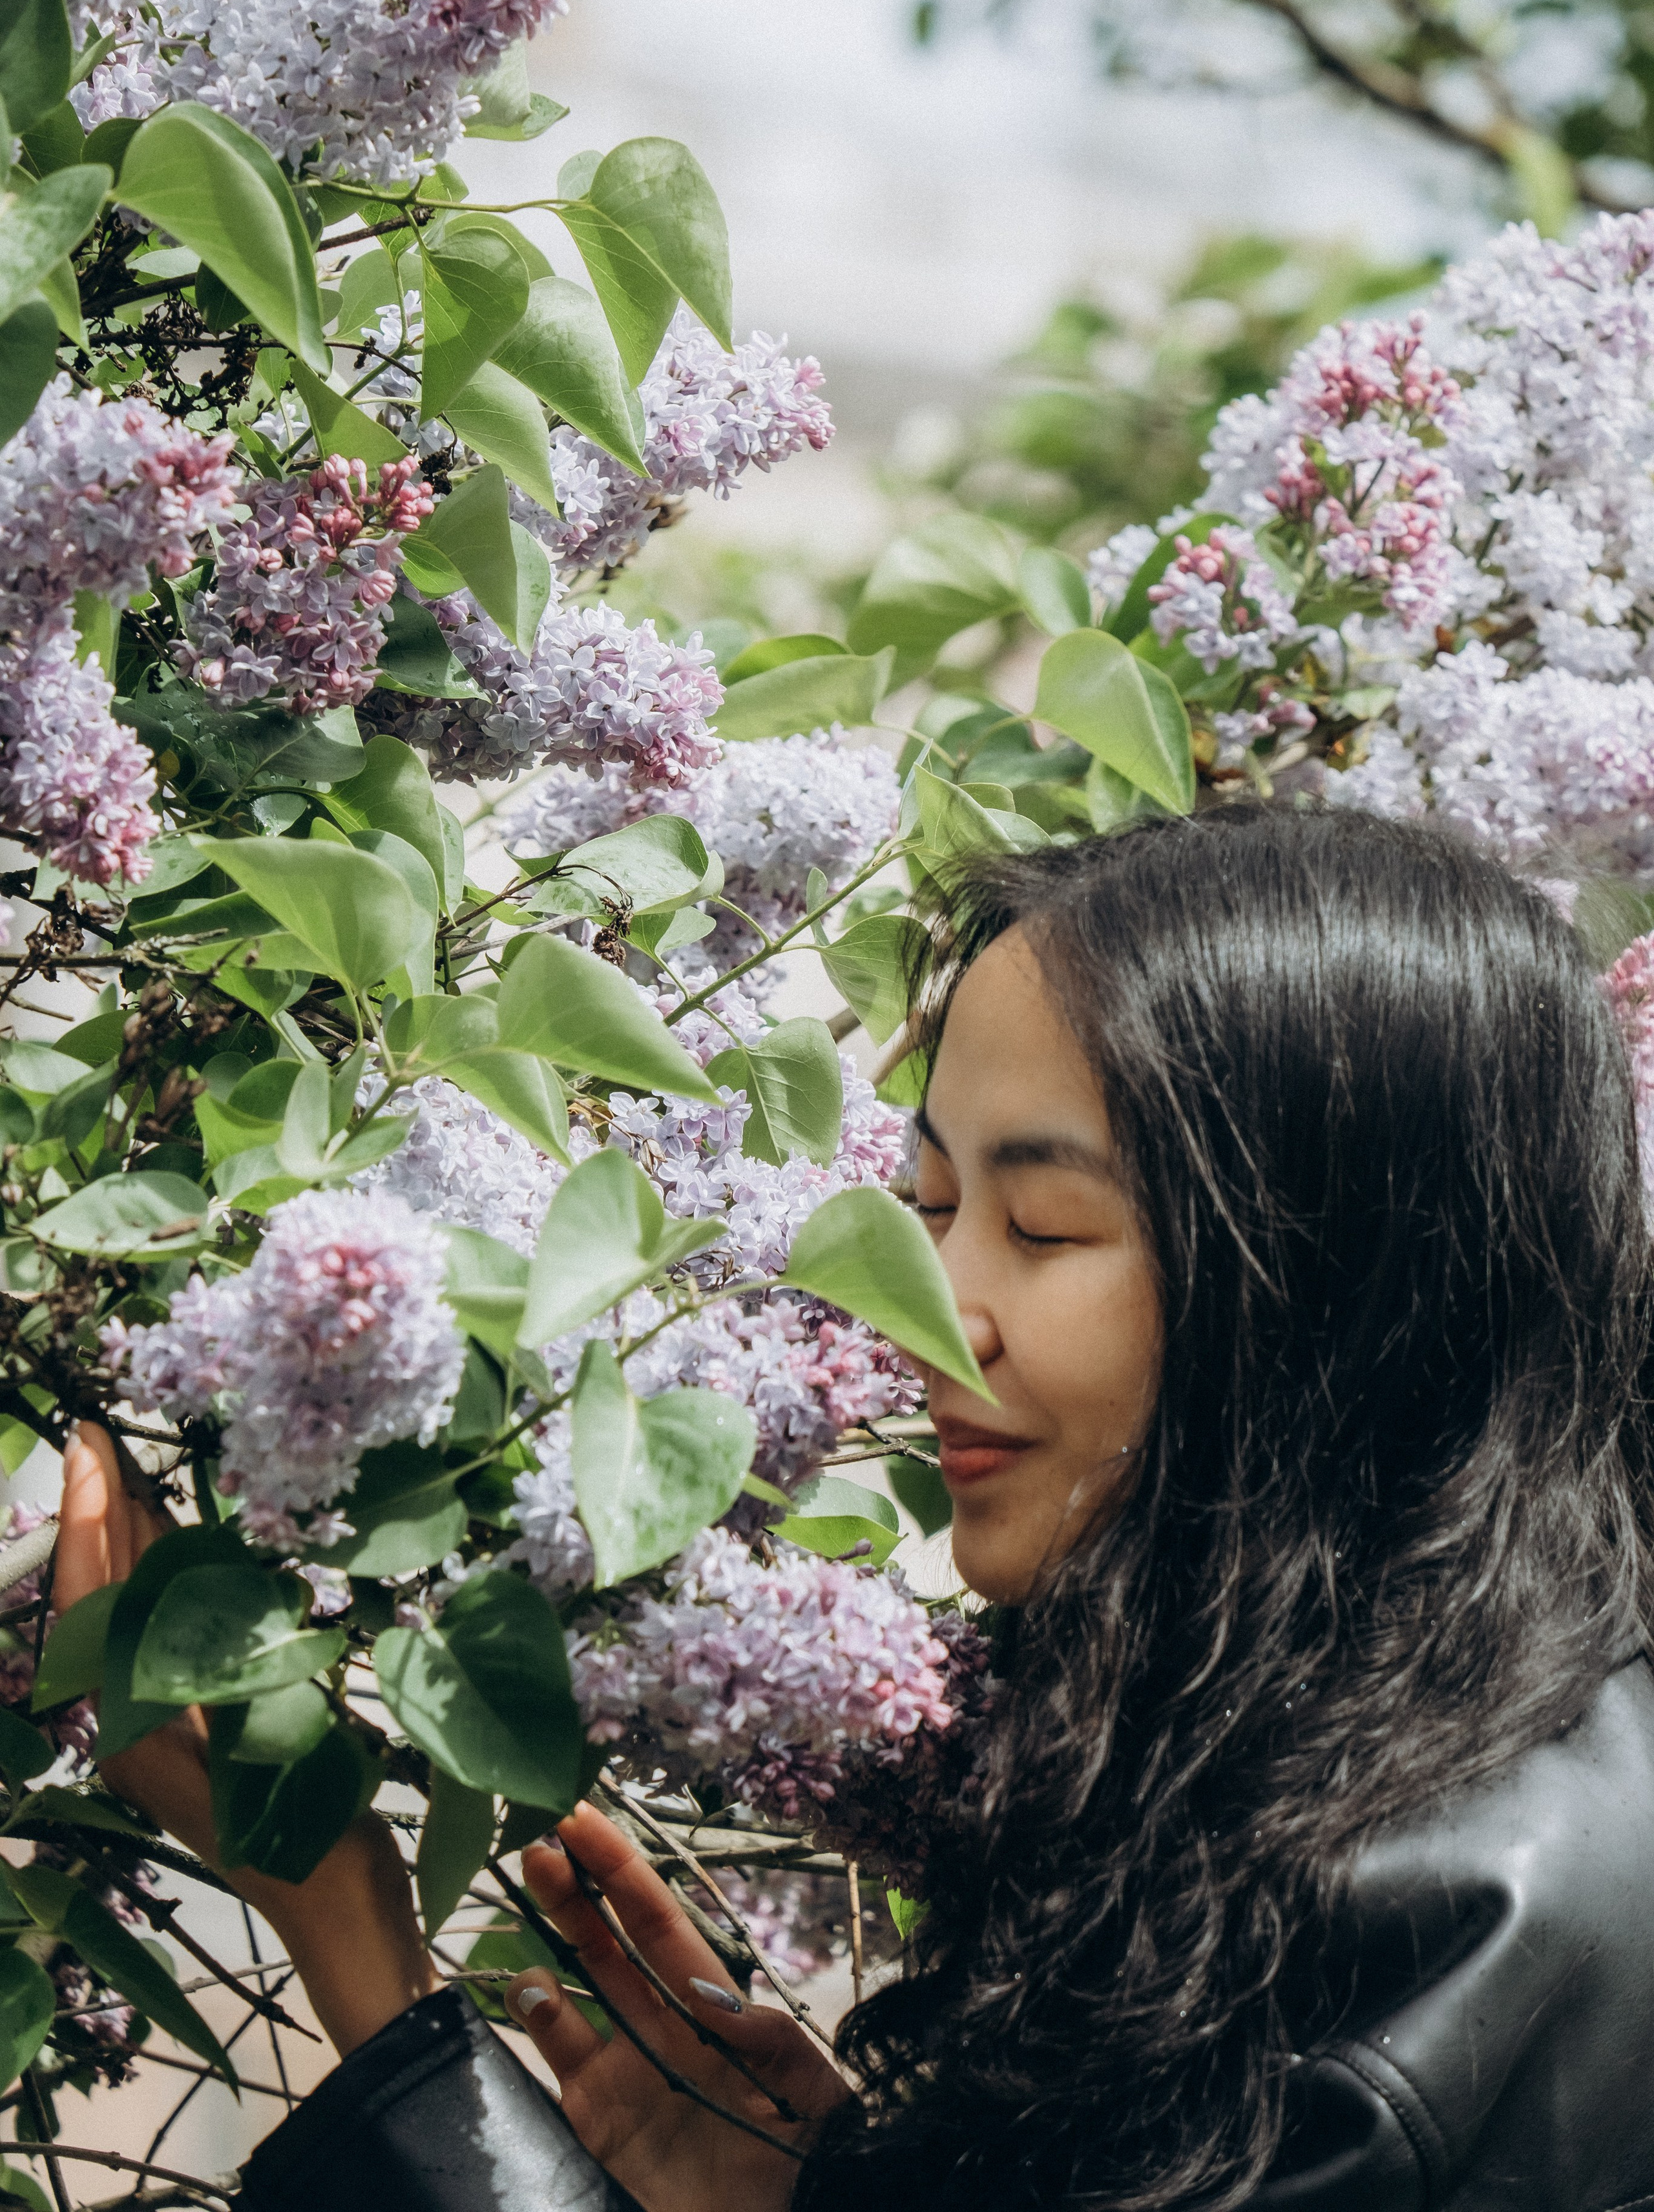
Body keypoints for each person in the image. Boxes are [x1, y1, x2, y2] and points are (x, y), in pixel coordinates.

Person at [54, 802, 1654, 2212]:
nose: (917, 1307)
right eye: (929, 1207)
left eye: (1039, 1224)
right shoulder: (1396, 1769)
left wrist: (358, 1954)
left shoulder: (1401, 1946)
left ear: (1325, 1289)